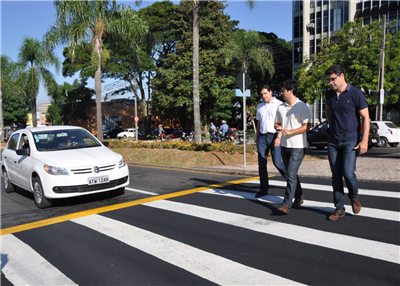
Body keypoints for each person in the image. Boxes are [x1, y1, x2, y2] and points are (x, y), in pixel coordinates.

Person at [325, 64, 368, 221]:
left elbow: (366, 117)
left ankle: (354, 197)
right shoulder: (329, 94)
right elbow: (328, 109)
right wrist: (331, 125)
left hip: (351, 140)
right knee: (336, 174)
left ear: (342, 76)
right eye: (328, 80)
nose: (330, 83)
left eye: (333, 79)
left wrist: (364, 140)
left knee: (348, 173)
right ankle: (339, 208)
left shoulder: (355, 93)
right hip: (333, 141)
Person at [274, 80, 311, 214]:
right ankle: (299, 196)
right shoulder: (281, 107)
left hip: (298, 146)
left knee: (290, 174)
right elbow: (277, 123)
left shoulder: (302, 106)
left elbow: (307, 126)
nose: (281, 93)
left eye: (283, 91)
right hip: (284, 145)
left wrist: (290, 131)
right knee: (292, 174)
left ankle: (286, 204)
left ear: (290, 91)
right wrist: (278, 128)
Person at [255, 85, 287, 198]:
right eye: (262, 94)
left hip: (274, 136)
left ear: (270, 92)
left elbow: (282, 122)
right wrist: (257, 137)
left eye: (265, 93)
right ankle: (263, 189)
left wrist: (279, 137)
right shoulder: (260, 107)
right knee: (262, 165)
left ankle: (291, 182)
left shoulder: (279, 104)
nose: (264, 96)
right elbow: (259, 124)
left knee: (278, 163)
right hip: (263, 137)